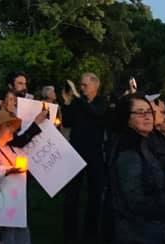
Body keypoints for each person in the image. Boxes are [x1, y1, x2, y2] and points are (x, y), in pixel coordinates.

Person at [107, 95, 165, 244]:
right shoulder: (128, 152)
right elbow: (136, 201)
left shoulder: (143, 144)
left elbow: (151, 179)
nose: (147, 117)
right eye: (140, 112)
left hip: (154, 229)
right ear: (126, 117)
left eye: (149, 112)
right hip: (140, 233)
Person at [60, 72, 108, 242]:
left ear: (95, 86)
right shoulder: (78, 103)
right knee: (71, 195)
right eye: (80, 85)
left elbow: (96, 113)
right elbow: (67, 122)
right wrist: (66, 102)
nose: (81, 88)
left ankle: (91, 233)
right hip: (76, 151)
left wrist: (78, 98)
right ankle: (70, 235)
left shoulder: (102, 101)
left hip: (94, 153)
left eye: (84, 85)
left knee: (95, 195)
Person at [0, 110, 30, 244]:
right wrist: (9, 170)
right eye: (8, 126)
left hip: (17, 207)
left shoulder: (11, 149)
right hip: (2, 208)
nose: (12, 130)